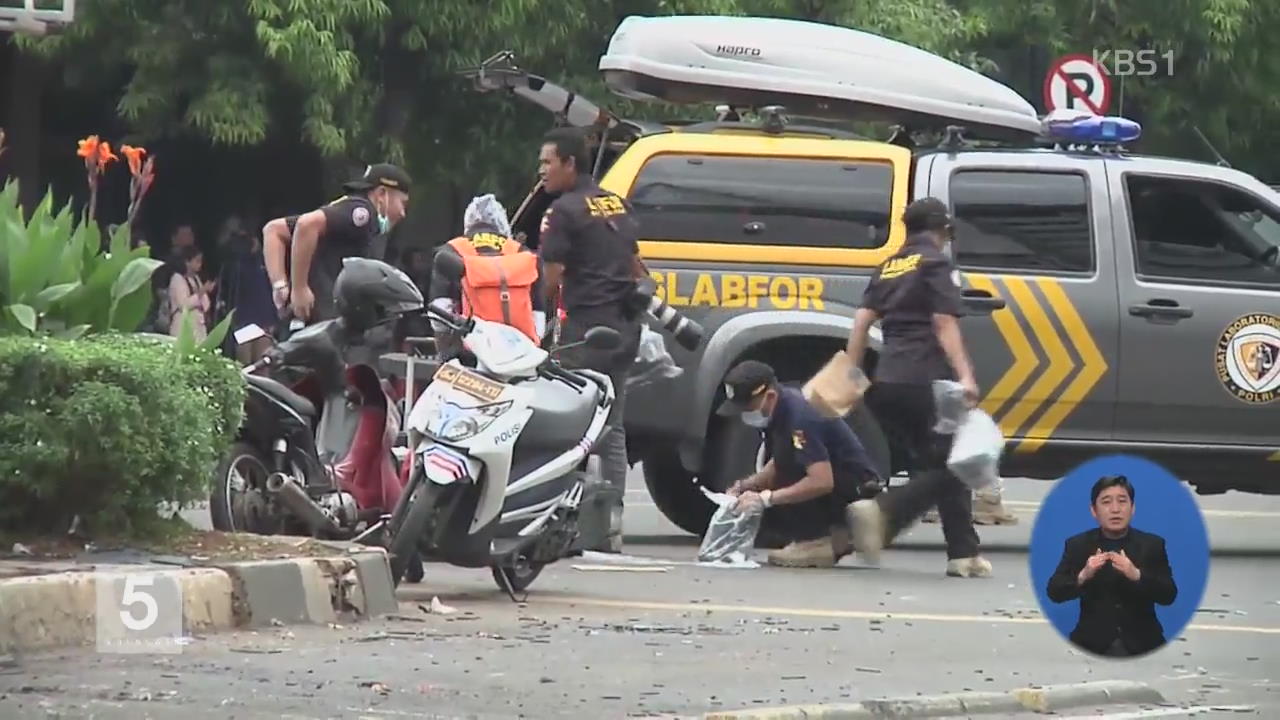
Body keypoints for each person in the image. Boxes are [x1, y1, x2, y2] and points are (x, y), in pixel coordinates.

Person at [843, 197, 993, 578]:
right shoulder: (936, 263)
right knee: (960, 465)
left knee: (941, 460)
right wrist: (967, 377)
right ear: (941, 231)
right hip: (927, 381)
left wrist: (851, 376)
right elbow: (944, 323)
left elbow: (861, 323)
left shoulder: (890, 265)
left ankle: (964, 553)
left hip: (888, 381)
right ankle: (884, 512)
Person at [537, 127, 647, 553]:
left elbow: (551, 279)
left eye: (548, 162)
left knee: (570, 426)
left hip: (585, 331)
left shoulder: (563, 211)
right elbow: (638, 267)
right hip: (624, 328)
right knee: (612, 427)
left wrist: (538, 324)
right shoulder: (615, 203)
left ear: (570, 163)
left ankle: (562, 521)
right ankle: (609, 522)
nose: (542, 170)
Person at [718, 360, 883, 567]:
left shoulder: (800, 418)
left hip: (854, 484)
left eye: (746, 407)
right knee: (779, 474)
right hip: (836, 477)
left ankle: (816, 541)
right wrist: (746, 486)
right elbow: (778, 460)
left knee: (784, 481)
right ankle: (834, 536)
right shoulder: (781, 408)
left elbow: (821, 481)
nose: (744, 414)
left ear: (768, 396)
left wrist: (766, 499)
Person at [1046, 475, 1177, 657]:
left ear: (1133, 508)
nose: (1115, 509)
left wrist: (1136, 575)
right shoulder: (1078, 545)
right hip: (1091, 645)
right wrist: (1084, 575)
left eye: (1122, 501)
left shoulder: (1152, 544)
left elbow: (1169, 595)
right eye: (1106, 502)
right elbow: (1054, 592)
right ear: (1094, 511)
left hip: (1143, 644)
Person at [263, 163, 412, 323]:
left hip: (312, 317)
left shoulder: (346, 207)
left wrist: (280, 286)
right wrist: (299, 289)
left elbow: (274, 230)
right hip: (323, 320)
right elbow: (306, 224)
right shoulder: (363, 212)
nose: (403, 214)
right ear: (382, 194)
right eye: (403, 203)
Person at [429, 194, 547, 347]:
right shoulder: (523, 253)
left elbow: (439, 314)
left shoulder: (451, 250)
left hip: (468, 353)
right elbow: (538, 320)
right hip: (519, 352)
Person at [166, 245, 215, 339]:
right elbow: (183, 305)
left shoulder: (196, 279)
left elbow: (206, 305)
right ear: (187, 262)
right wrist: (201, 292)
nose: (200, 264)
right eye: (197, 261)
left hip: (198, 327)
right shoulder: (177, 279)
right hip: (182, 328)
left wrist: (205, 292)